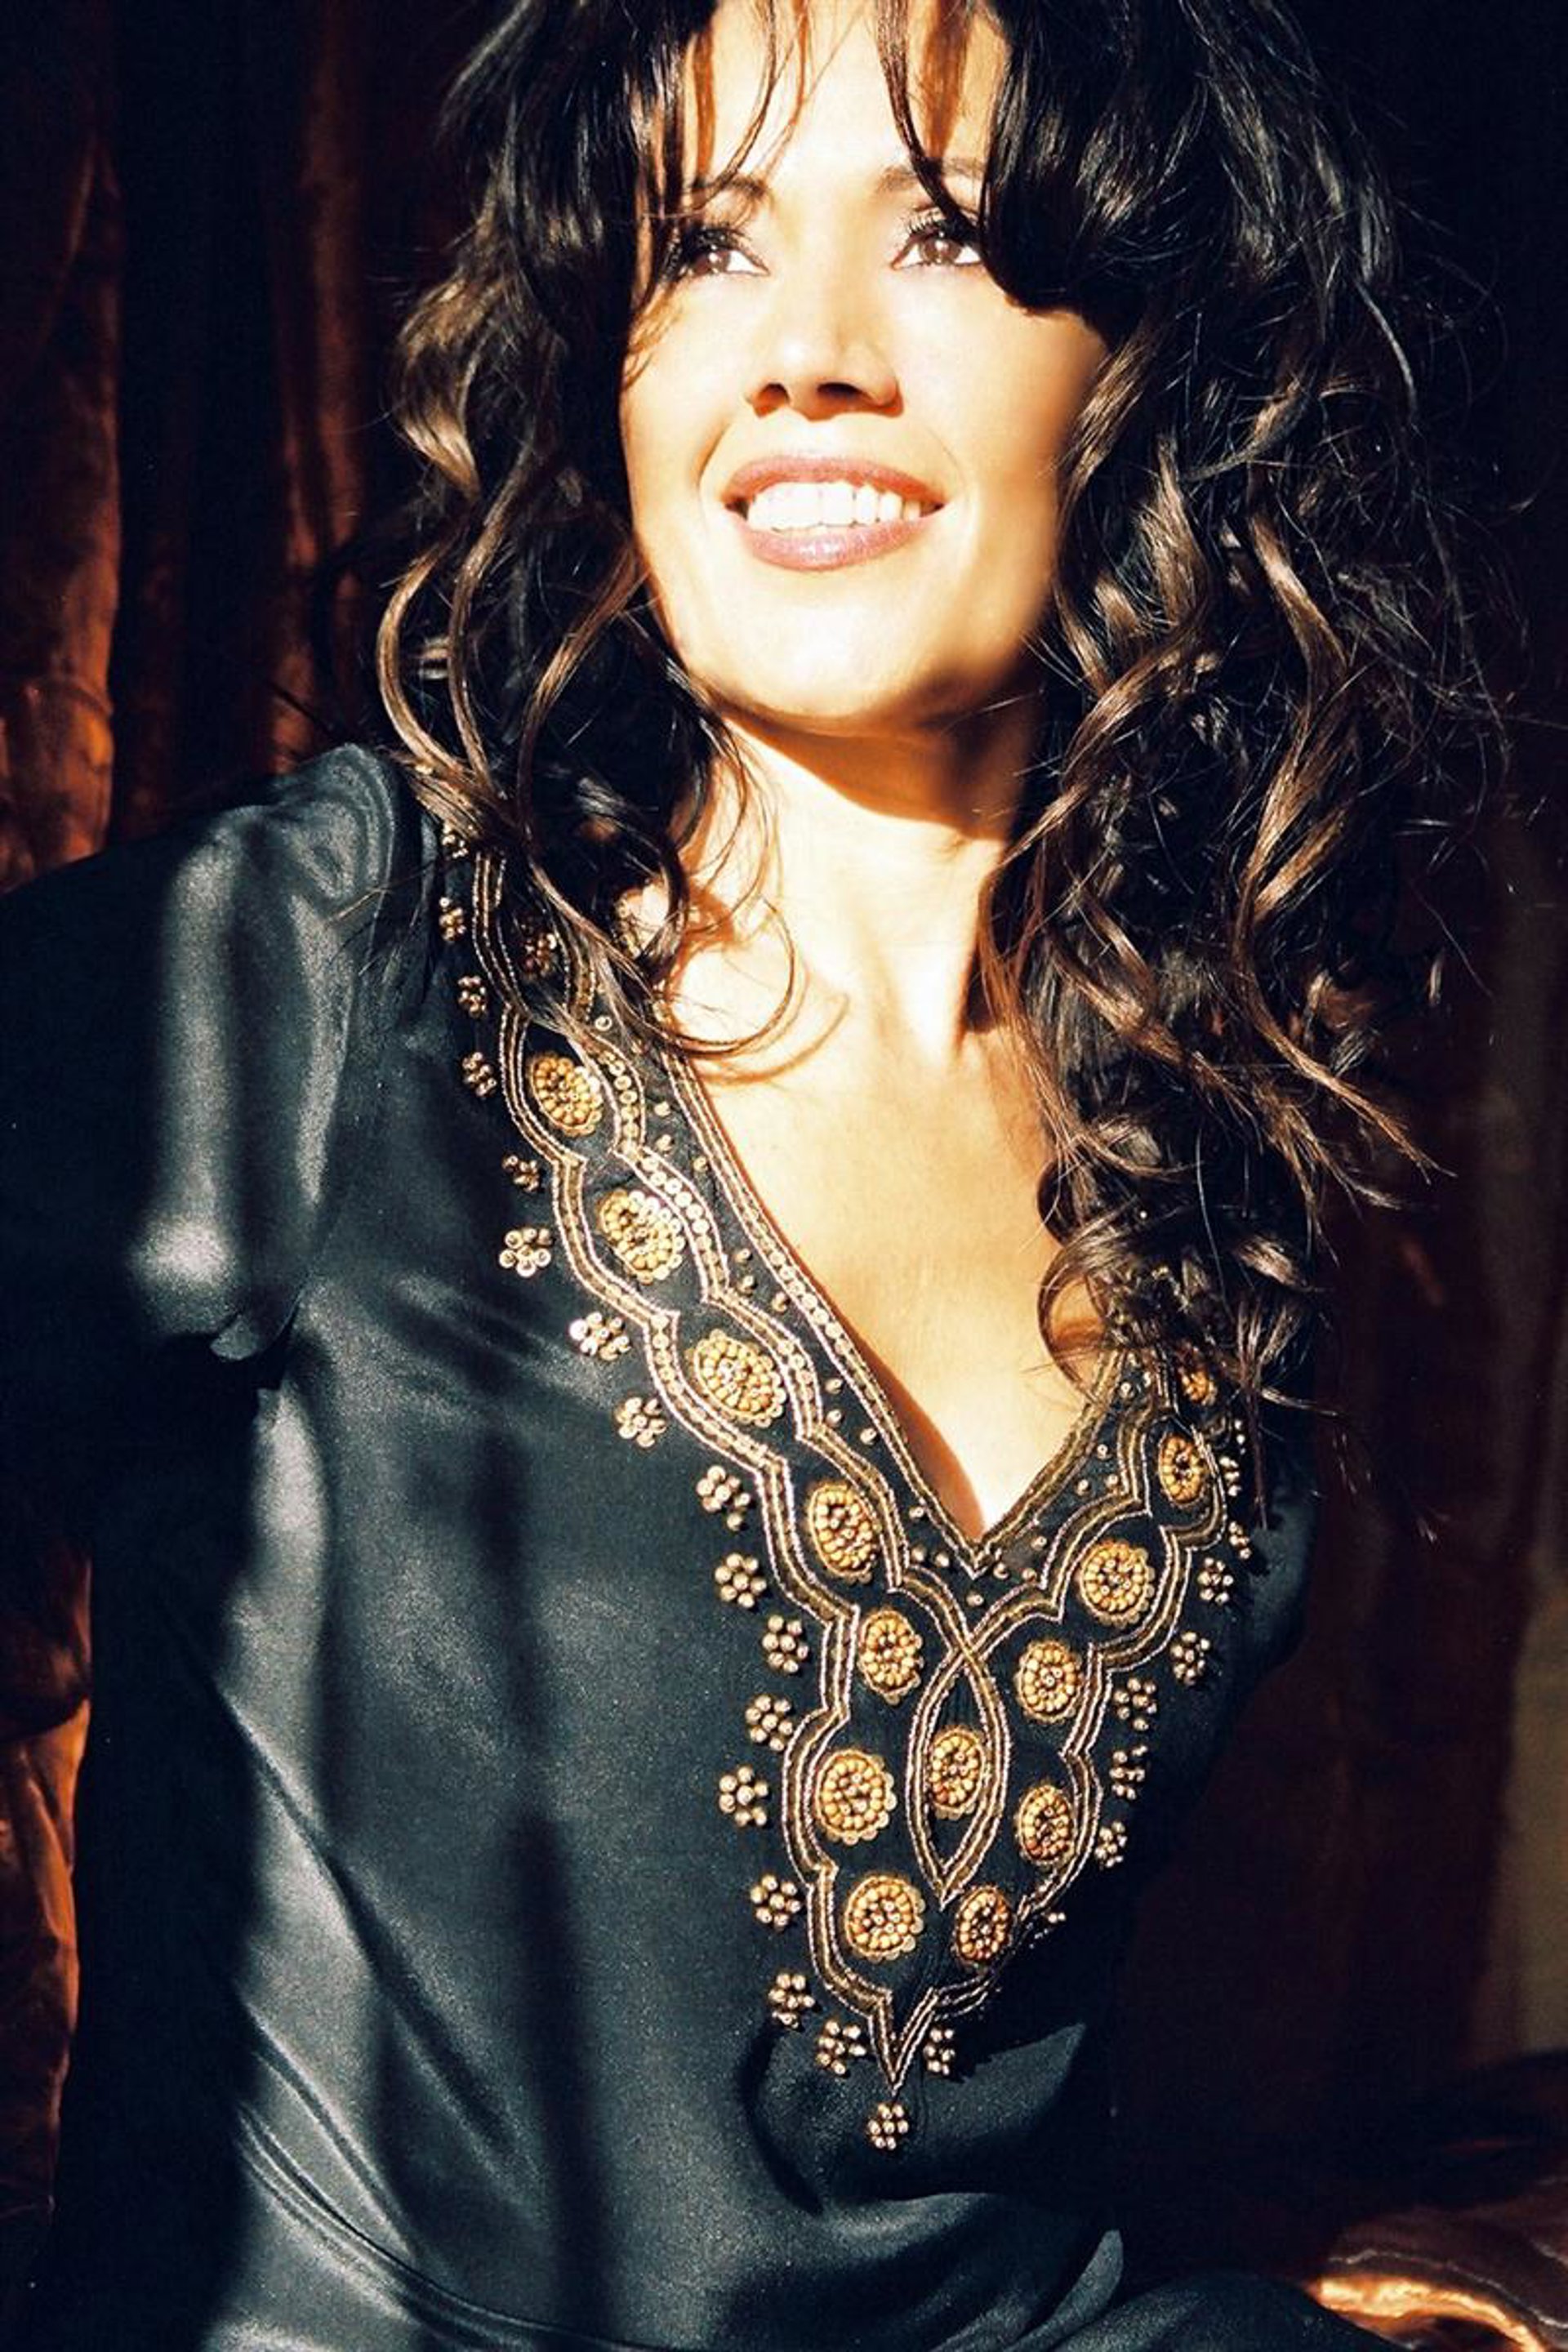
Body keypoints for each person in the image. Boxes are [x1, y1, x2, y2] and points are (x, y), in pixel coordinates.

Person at [0, 0, 1500, 2345]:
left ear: (1145, 359)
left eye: (946, 235)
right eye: (704, 245)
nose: (804, 351)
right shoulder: (340, 972)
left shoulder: (1218, 1196)